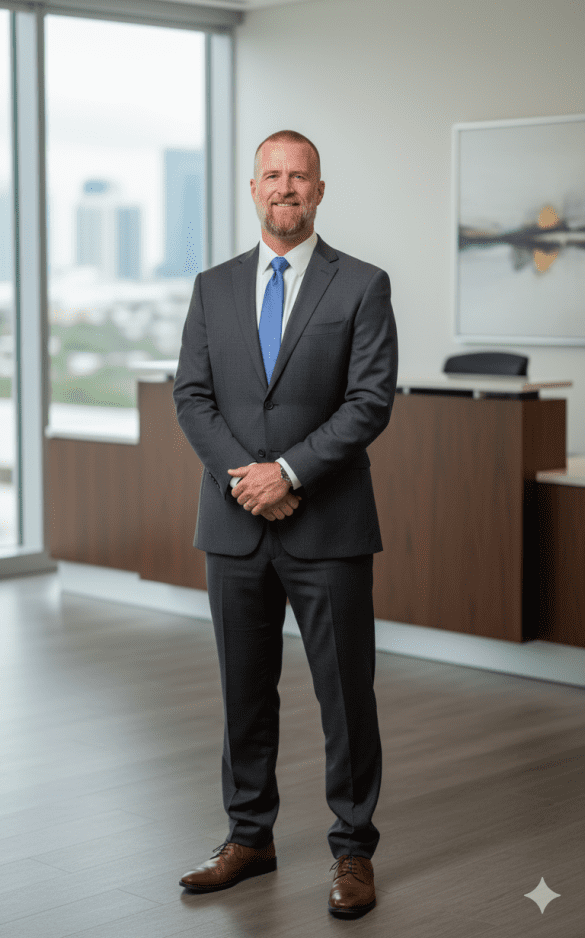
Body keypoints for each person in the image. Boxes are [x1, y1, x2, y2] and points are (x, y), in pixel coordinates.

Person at [172, 129, 398, 919]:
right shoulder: (213, 287)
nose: (285, 188)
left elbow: (369, 401)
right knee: (243, 691)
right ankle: (248, 838)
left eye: (299, 176)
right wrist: (250, 479)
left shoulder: (362, 285)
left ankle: (352, 850)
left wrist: (290, 472)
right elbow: (191, 398)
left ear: (320, 190)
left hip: (327, 524)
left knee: (345, 694)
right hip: (233, 525)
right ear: (252, 187)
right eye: (272, 175)